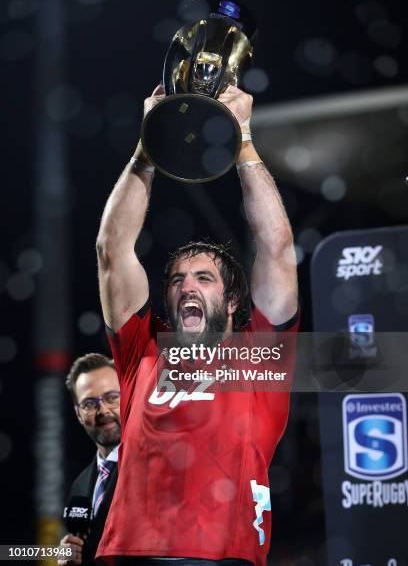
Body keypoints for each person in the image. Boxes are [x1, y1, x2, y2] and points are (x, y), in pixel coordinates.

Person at [95, 84, 299, 566]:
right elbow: (112, 249)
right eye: (177, 279)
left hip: (219, 557)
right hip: (126, 555)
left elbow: (276, 247)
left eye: (204, 278)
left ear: (231, 301)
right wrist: (149, 147)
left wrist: (243, 139)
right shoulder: (140, 356)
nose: (187, 286)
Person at [58, 353, 121, 566]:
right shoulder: (80, 485)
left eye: (112, 397)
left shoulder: (158, 467)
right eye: (89, 403)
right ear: (78, 414)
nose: (103, 410)